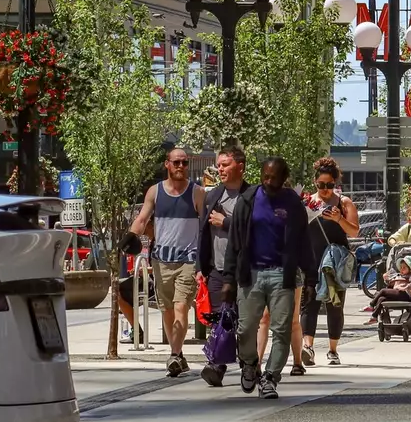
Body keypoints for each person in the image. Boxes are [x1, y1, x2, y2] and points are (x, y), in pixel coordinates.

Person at [223, 156, 317, 399]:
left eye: (274, 177)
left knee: (281, 330)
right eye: (265, 175)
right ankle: (250, 364)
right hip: (250, 274)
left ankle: (271, 378)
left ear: (284, 178)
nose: (269, 181)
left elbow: (303, 243)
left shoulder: (293, 203)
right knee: (245, 329)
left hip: (281, 275)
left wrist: (310, 279)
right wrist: (228, 280)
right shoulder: (248, 200)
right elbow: (235, 242)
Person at [130, 146, 205, 378]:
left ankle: (173, 355)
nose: (180, 166)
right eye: (176, 162)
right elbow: (143, 218)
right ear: (167, 164)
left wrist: (205, 262)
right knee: (168, 310)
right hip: (161, 260)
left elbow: (205, 228)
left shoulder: (197, 193)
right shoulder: (155, 192)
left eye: (184, 162)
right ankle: (179, 353)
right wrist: (130, 237)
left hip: (188, 261)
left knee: (181, 306)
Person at [196, 146, 255, 387]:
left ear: (240, 167)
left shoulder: (252, 196)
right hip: (217, 270)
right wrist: (201, 266)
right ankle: (217, 364)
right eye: (218, 164)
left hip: (245, 271)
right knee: (220, 319)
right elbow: (202, 233)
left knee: (244, 322)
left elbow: (255, 231)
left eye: (225, 164)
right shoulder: (212, 197)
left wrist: (226, 222)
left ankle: (247, 365)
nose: (220, 169)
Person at [302, 157, 359, 367]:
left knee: (335, 305)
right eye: (321, 185)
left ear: (336, 184)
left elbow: (354, 230)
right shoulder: (308, 203)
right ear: (315, 183)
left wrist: (339, 219)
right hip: (312, 259)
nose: (325, 189)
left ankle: (333, 350)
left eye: (329, 185)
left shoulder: (343, 203)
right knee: (309, 304)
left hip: (336, 263)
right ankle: (308, 347)